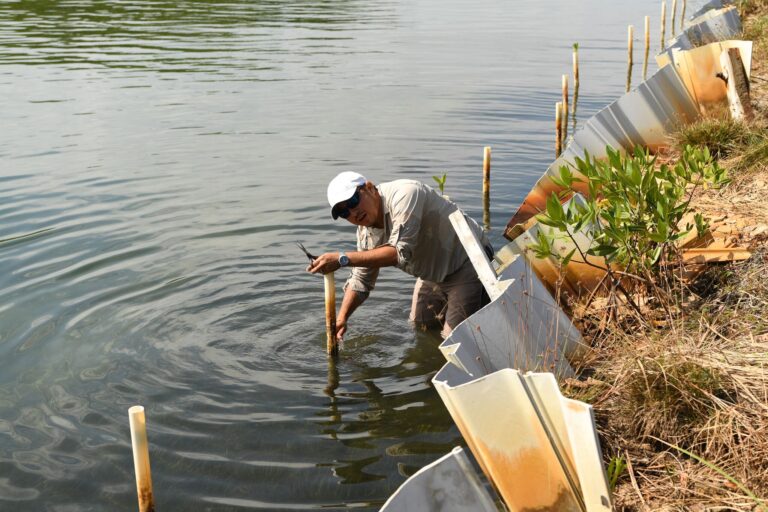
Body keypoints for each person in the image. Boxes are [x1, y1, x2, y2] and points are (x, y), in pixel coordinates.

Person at [307, 171, 491, 341]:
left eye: (354, 201)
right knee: (419, 325)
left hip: (467, 260)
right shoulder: (365, 234)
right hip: (433, 273)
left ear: (369, 188)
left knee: (451, 340)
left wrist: (342, 259)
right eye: (343, 212)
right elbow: (361, 280)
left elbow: (399, 252)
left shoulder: (405, 194)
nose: (353, 213)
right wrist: (342, 318)